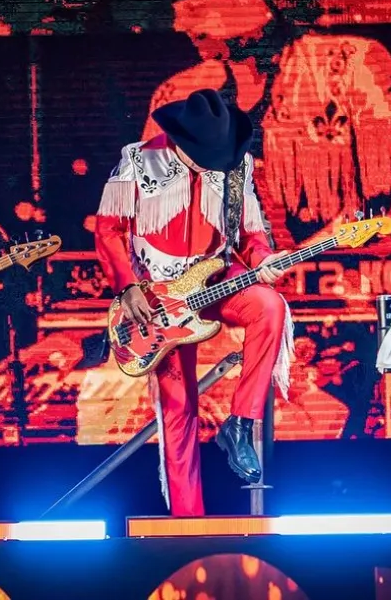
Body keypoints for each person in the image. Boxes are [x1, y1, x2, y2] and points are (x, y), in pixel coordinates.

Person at [94, 88, 295, 515]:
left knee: (270, 306)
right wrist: (128, 286)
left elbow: (251, 237)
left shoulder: (235, 166)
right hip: (157, 299)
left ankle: (240, 423)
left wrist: (265, 259)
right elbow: (108, 229)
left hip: (215, 278)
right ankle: (188, 518)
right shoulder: (137, 160)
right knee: (179, 405)